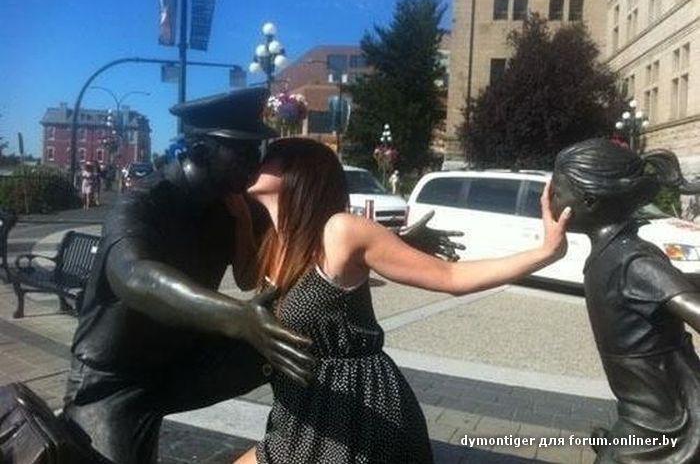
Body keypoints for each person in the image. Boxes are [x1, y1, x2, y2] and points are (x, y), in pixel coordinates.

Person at [62, 89, 465, 464]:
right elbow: (135, 276)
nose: (255, 162)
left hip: (188, 357)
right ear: (201, 151)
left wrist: (395, 244)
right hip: (117, 381)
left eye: (257, 151)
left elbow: (311, 234)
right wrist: (238, 318)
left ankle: (323, 438)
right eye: (243, 152)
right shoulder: (143, 203)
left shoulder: (231, 201)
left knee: (301, 333)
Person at [233, 137, 570, 464]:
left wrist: (546, 253)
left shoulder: (340, 231)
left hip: (353, 407)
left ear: (297, 172)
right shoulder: (276, 242)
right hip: (300, 406)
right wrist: (239, 215)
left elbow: (451, 277)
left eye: (269, 157)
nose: (256, 163)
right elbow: (245, 279)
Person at [550, 138, 700, 463]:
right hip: (642, 411)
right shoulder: (612, 253)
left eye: (556, 192)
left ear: (589, 200)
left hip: (666, 424)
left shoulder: (631, 261)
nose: (548, 200)